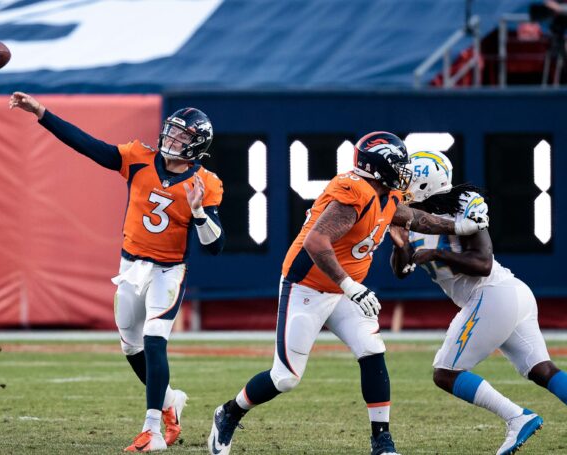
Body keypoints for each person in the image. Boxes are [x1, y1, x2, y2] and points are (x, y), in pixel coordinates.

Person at [208, 132, 489, 455]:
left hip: (344, 291)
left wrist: (459, 227)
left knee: (371, 350)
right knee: (285, 377)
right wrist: (350, 286)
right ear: (379, 165)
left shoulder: (387, 193)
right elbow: (316, 243)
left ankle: (382, 441)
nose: (405, 170)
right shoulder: (355, 191)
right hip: (309, 286)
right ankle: (229, 412)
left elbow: (414, 218)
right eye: (399, 163)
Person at [9, 92, 225, 452]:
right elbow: (87, 145)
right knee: (131, 345)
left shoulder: (206, 183)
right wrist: (42, 114)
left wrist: (199, 212)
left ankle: (153, 430)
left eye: (182, 137)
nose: (171, 140)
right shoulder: (139, 158)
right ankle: (171, 402)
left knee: (156, 339)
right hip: (131, 266)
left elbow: (215, 245)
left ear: (196, 144)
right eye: (171, 132)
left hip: (167, 272)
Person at [389, 150, 566, 455]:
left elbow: (483, 262)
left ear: (426, 183)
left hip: (494, 292)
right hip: (506, 295)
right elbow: (402, 270)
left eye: (409, 179)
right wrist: (401, 245)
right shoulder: (411, 217)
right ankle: (518, 418)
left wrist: (437, 254)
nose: (401, 185)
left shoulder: (461, 207)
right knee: (542, 370)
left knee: (445, 373)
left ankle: (517, 417)